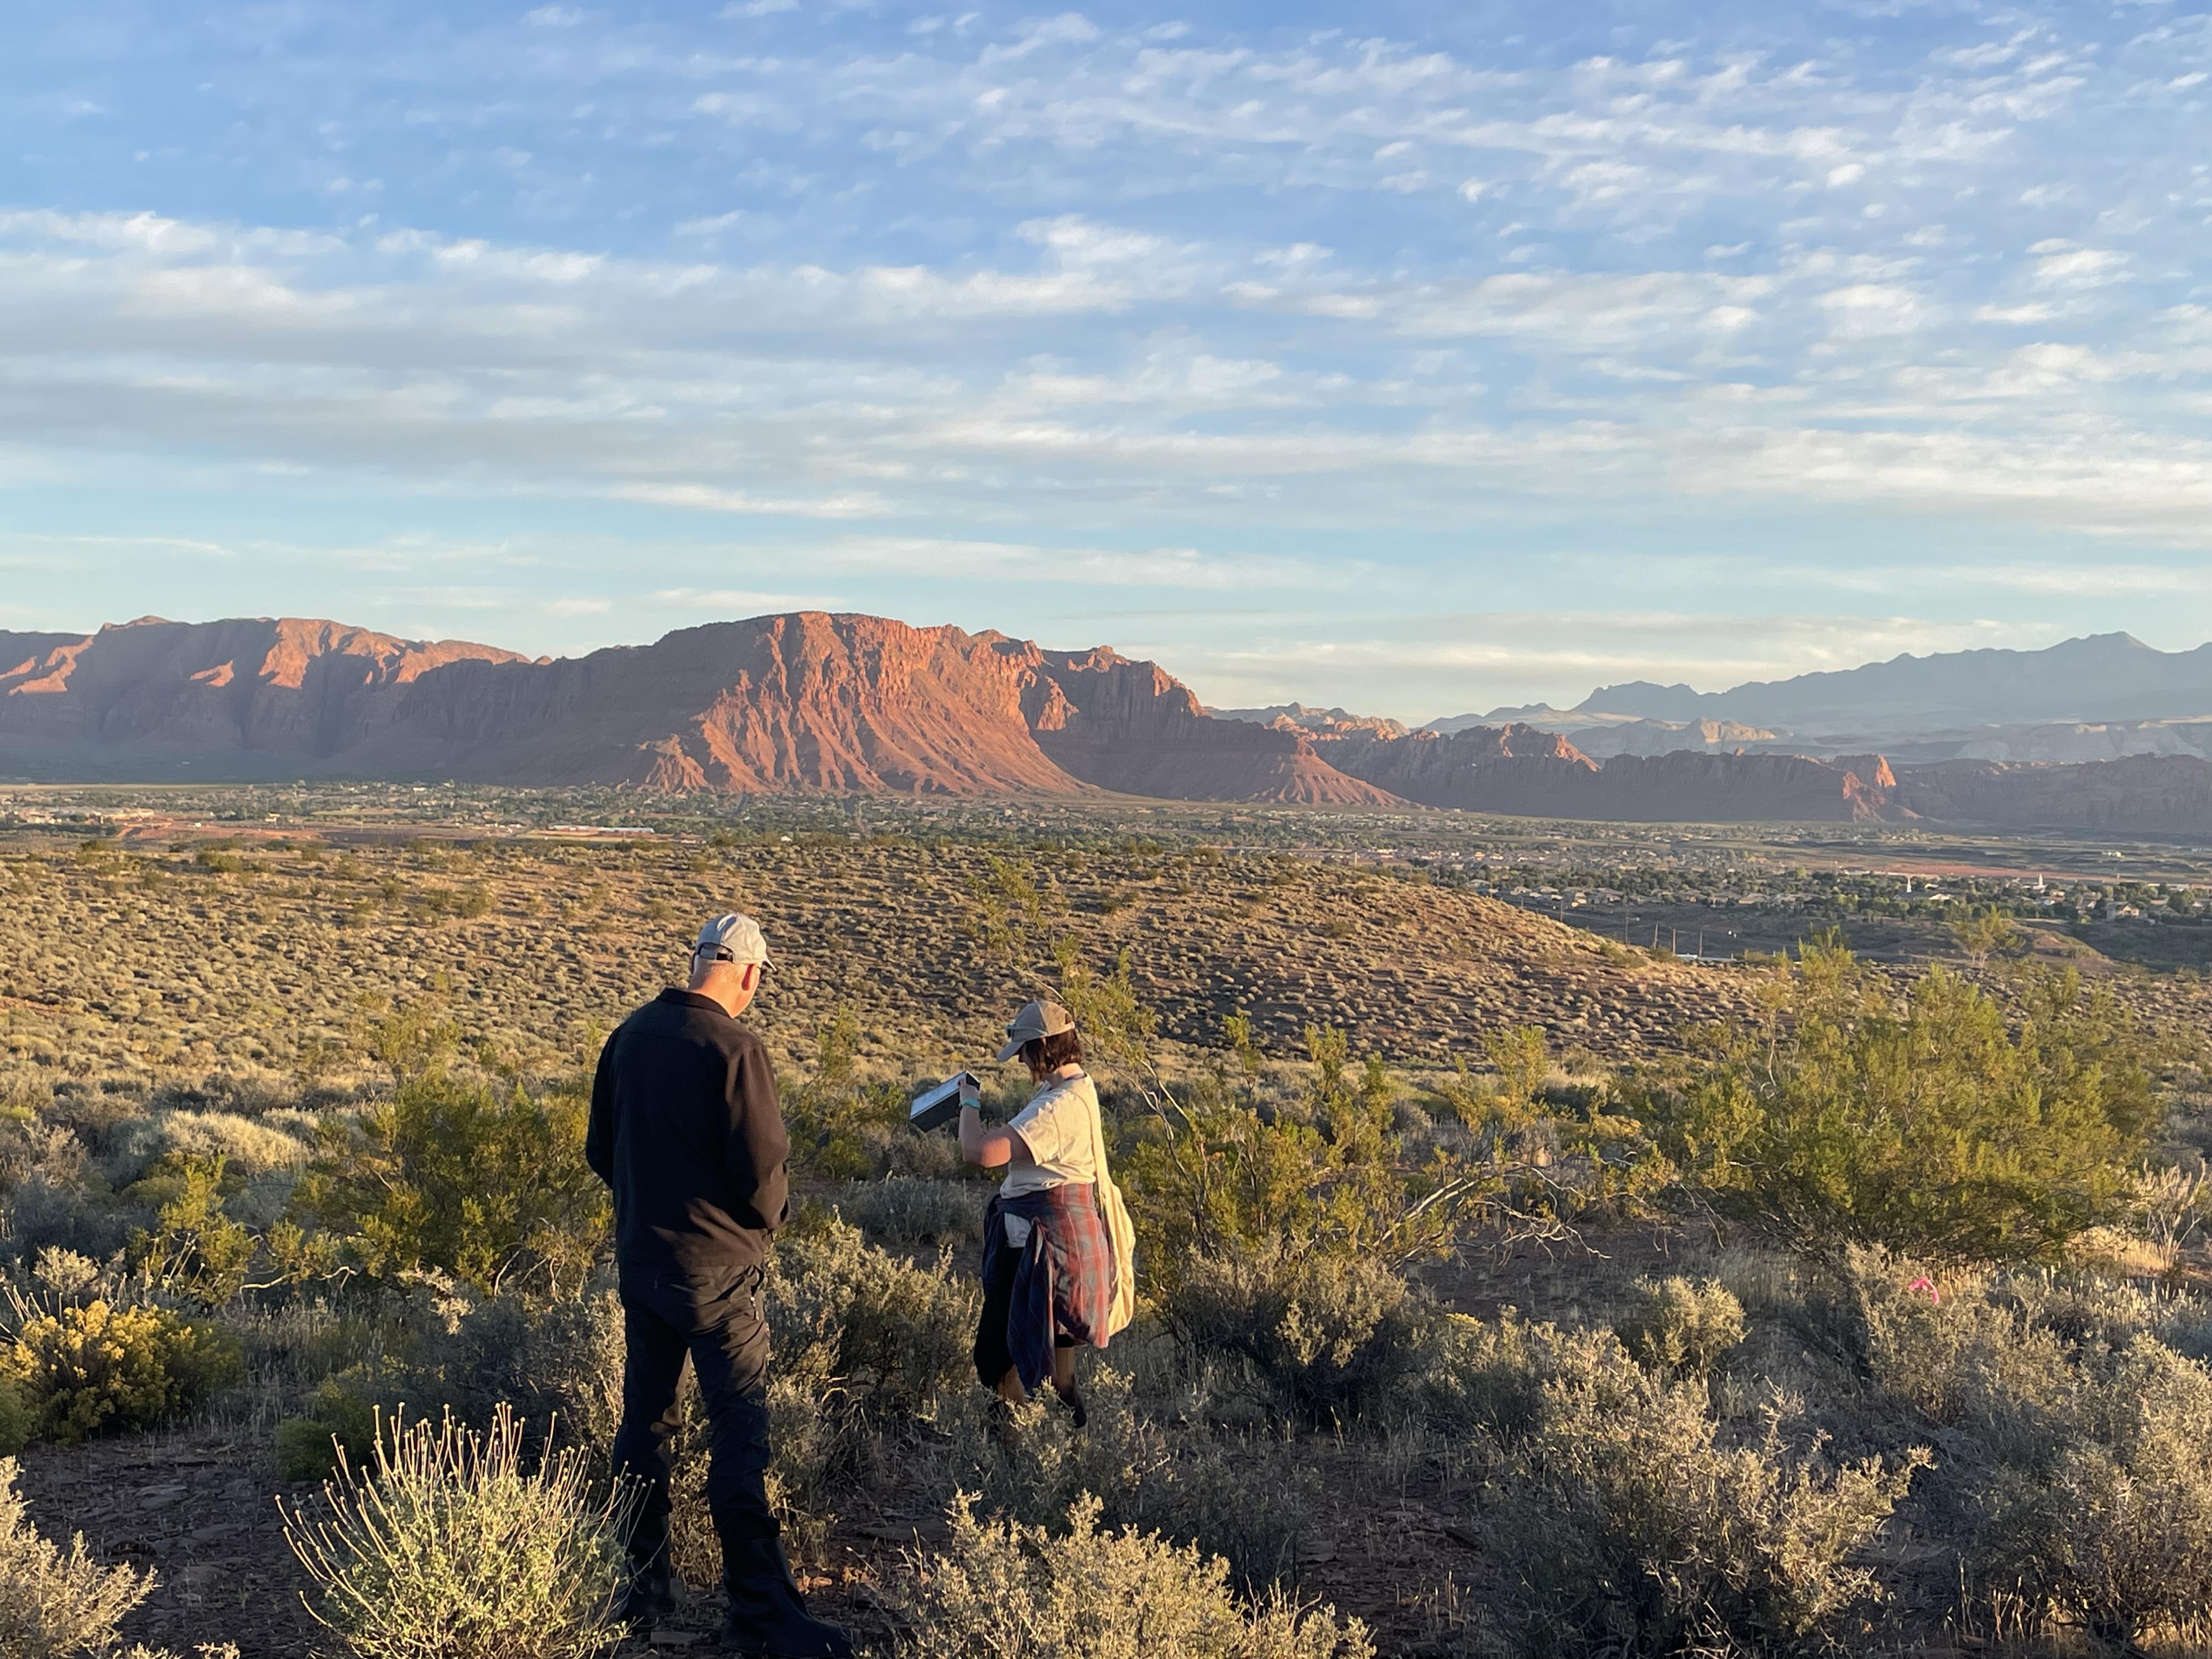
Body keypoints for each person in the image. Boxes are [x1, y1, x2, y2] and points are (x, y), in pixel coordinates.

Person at [586, 913, 853, 1659]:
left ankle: (641, 1588)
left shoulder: (631, 1035)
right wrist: (760, 1227)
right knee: (740, 1434)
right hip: (720, 1275)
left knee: (645, 1429)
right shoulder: (735, 1048)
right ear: (748, 973)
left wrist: (652, 1212)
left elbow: (599, 1149)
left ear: (699, 958)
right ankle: (761, 1614)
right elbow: (764, 1168)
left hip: (644, 1264)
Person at [958, 998, 1114, 1423]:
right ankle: (1068, 1456)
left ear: (1044, 1046)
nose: (1023, 1061)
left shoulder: (1056, 1106)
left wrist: (968, 1102)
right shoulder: (1075, 1088)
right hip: (1065, 1246)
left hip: (1036, 1245)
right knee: (1060, 1374)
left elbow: (979, 1152)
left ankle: (1015, 1449)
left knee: (995, 1357)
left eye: (1025, 1051)